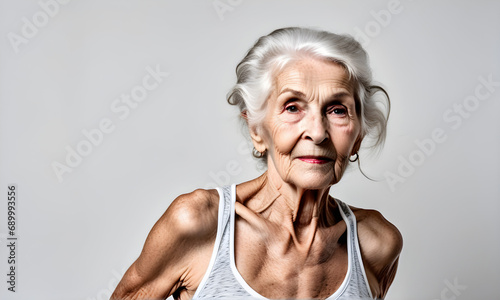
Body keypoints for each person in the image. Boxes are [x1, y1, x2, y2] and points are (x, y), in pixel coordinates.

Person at [110, 27, 403, 300]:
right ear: (257, 130)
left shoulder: (375, 244)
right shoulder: (199, 224)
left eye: (338, 110)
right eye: (292, 107)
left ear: (359, 135)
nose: (317, 132)